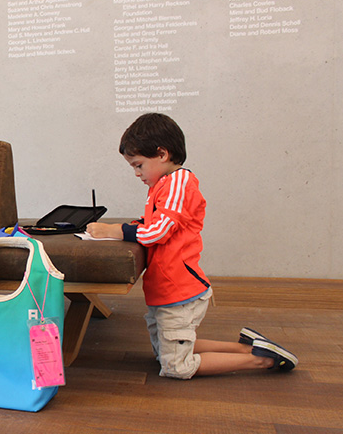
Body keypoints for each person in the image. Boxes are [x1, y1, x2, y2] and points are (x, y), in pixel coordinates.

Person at [87, 113, 298, 379]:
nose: (137, 173)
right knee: (165, 351)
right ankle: (246, 348)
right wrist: (128, 227)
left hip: (179, 291)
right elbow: (155, 222)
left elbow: (157, 232)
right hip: (164, 289)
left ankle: (262, 360)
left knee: (176, 367)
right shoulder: (163, 185)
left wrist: (114, 230)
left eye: (139, 165)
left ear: (162, 153)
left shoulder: (178, 182)